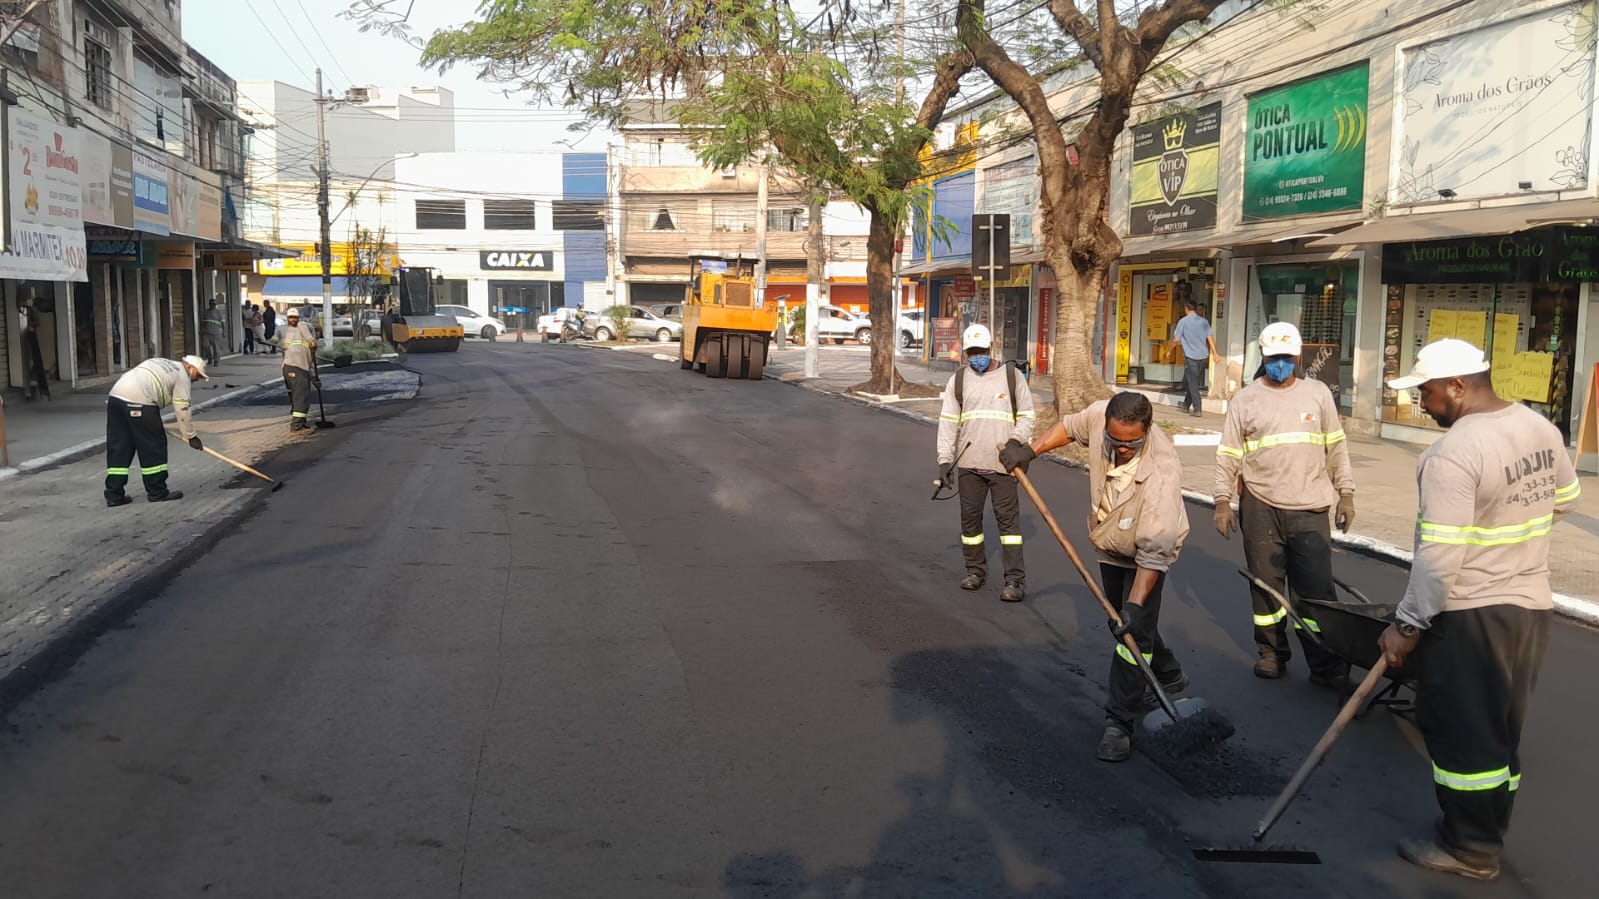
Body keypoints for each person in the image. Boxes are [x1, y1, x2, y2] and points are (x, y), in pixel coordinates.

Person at [1376, 339, 1578, 882]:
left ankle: (1469, 848)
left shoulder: (1452, 454)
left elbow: (1439, 559)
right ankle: (1488, 828)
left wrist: (1406, 627)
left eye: (1426, 391)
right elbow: (1566, 496)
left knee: (1461, 733)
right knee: (1500, 729)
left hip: (1470, 615)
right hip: (1530, 608)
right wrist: (1507, 545)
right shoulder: (1538, 428)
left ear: (1459, 386)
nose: (1421, 401)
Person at [1000, 392, 1190, 762]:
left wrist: (1135, 607)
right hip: (1109, 537)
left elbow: (1153, 556)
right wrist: (1031, 451)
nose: (1121, 449)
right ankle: (1168, 672)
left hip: (1148, 549)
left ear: (1147, 431)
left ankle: (1119, 722)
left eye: (1131, 443)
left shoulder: (1162, 473)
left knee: (1130, 631)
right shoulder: (1101, 416)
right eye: (1114, 441)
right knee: (1125, 620)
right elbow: (1070, 427)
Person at [1214, 322, 1355, 686]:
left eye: (1286, 358)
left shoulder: (1318, 394)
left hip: (1310, 507)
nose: (1280, 364)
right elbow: (1229, 453)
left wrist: (1347, 493)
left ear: (1298, 356)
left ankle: (1324, 665)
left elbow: (1336, 446)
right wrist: (1221, 500)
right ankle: (1272, 653)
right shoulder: (1246, 399)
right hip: (1260, 505)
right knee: (1266, 586)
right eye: (1273, 358)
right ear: (1263, 358)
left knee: (1316, 592)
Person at [936, 323, 1035, 603]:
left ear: (991, 348)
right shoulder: (958, 381)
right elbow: (947, 423)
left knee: (1009, 527)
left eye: (980, 350)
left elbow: (1027, 416)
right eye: (971, 352)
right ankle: (974, 571)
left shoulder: (1012, 377)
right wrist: (944, 461)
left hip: (1003, 466)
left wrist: (1016, 443)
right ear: (965, 353)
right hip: (969, 465)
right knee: (970, 524)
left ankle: (1014, 579)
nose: (976, 356)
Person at [104, 355, 208, 506]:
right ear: (190, 367)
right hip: (141, 402)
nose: (197, 379)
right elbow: (182, 410)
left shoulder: (162, 362)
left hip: (115, 398)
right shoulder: (182, 376)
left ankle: (114, 495)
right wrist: (191, 436)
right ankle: (157, 492)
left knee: (120, 447)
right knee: (153, 447)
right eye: (198, 375)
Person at [1168, 299, 1218, 417]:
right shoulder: (1204, 321)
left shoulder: (1183, 322)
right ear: (1194, 309)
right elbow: (1210, 338)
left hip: (1191, 357)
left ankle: (1197, 408)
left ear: (1186, 309)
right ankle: (1186, 405)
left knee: (1193, 383)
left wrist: (1169, 350)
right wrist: (1215, 353)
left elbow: (1176, 340)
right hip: (1202, 356)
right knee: (1193, 380)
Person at [279, 307, 318, 432]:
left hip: (291, 367)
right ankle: (297, 426)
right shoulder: (303, 326)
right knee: (300, 396)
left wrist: (312, 376)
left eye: (294, 317)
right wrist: (313, 343)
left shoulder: (293, 332)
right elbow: (311, 342)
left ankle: (301, 421)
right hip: (296, 367)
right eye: (291, 317)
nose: (293, 320)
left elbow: (309, 358)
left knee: (297, 396)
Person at [20, 304, 51, 401]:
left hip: (29, 340)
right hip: (26, 341)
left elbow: (37, 322)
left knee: (30, 363)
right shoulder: (25, 312)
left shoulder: (30, 312)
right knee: (28, 364)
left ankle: (30, 389)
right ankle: (29, 389)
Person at [202, 298, 226, 366]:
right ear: (209, 304)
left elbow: (222, 322)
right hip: (206, 332)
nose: (214, 305)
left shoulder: (218, 312)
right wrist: (202, 329)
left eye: (215, 304)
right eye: (212, 304)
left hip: (216, 332)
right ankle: (209, 357)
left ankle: (216, 361)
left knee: (216, 348)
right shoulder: (206, 312)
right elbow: (204, 321)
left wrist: (224, 331)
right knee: (205, 345)